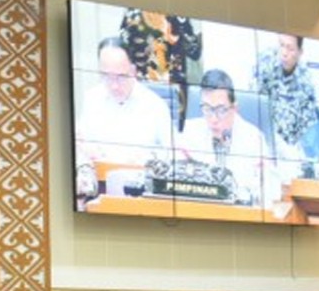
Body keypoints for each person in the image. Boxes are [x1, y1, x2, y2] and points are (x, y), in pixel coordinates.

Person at [75, 37, 174, 169]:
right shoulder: (92, 99)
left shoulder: (155, 105)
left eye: (121, 77)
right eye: (106, 76)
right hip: (99, 181)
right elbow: (81, 145)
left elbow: (172, 154)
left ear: (133, 71)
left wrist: (149, 160)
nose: (114, 86)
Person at [177, 68, 271, 206]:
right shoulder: (190, 133)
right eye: (207, 109)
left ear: (234, 108)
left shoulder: (254, 139)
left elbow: (269, 191)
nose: (213, 119)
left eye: (221, 110)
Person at [254, 33, 319, 149]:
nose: (284, 53)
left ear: (300, 53)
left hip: (289, 147)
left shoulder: (306, 83)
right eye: (281, 45)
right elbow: (253, 102)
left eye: (290, 48)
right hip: (260, 138)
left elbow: (307, 129)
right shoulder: (265, 61)